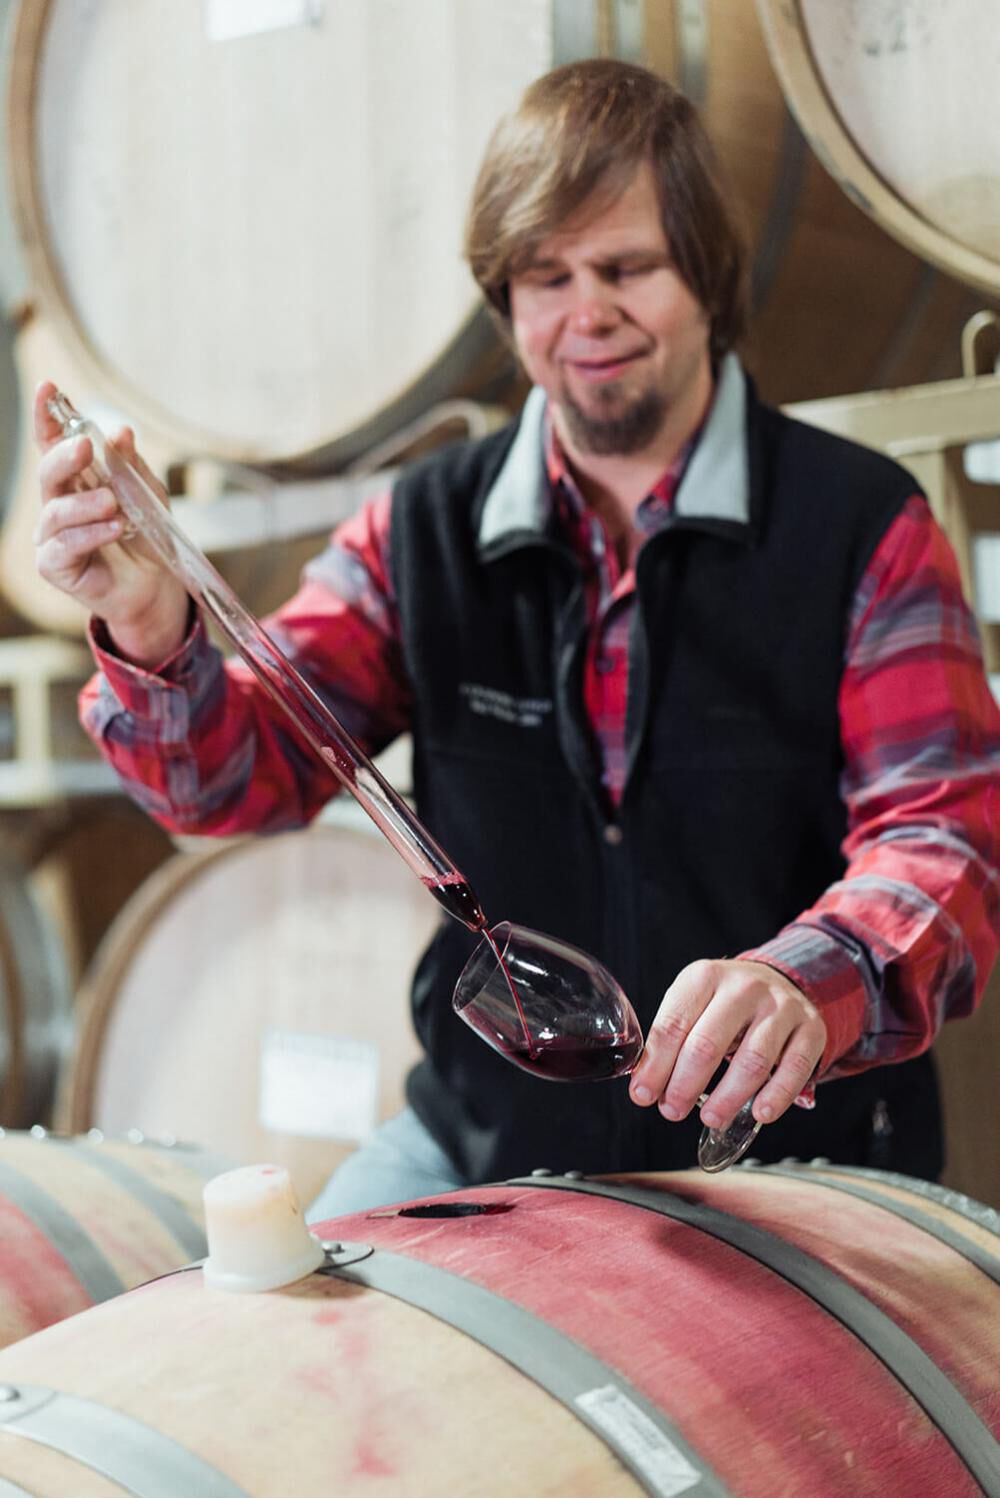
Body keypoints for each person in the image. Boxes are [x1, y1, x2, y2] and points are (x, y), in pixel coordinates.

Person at [34, 60, 1000, 1218]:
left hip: (790, 1159)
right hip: (483, 1143)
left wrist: (807, 980)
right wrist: (153, 628)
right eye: (544, 276)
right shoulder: (421, 527)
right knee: (300, 1338)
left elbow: (944, 840)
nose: (583, 312)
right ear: (503, 299)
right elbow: (239, 783)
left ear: (704, 272)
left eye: (625, 267)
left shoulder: (858, 524)